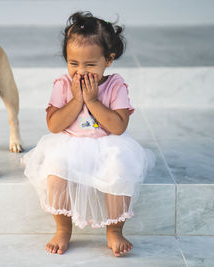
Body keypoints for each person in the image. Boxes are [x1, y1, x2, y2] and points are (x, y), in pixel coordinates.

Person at [22, 11, 155, 257]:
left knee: (119, 170)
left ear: (109, 60)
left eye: (90, 64)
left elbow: (118, 127)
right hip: (70, 143)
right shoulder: (63, 84)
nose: (80, 71)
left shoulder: (115, 84)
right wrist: (76, 99)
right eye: (73, 63)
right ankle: (63, 229)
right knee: (57, 171)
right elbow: (54, 124)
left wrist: (92, 101)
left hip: (108, 144)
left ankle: (114, 230)